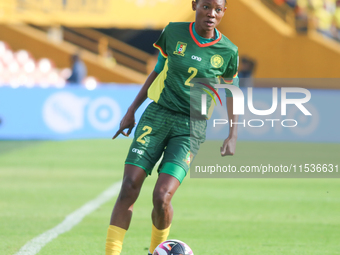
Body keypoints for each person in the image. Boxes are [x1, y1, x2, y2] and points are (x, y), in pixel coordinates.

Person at [105, 0, 239, 254]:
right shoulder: (173, 32)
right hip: (157, 116)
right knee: (129, 186)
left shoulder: (228, 51)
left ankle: (156, 250)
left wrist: (233, 134)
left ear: (223, 12)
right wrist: (131, 110)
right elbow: (156, 71)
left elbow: (232, 92)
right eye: (206, 7)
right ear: (195, 5)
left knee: (162, 196)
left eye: (218, 9)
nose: (211, 14)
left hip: (191, 127)